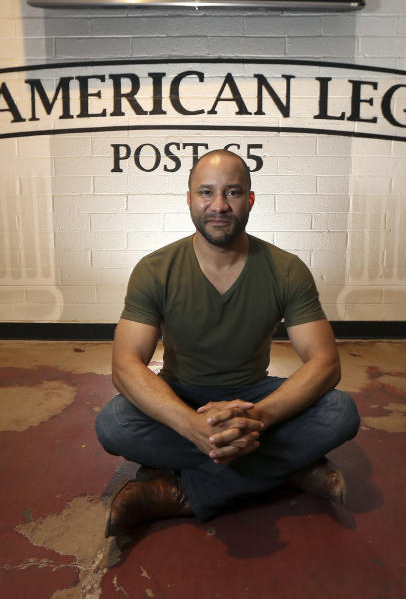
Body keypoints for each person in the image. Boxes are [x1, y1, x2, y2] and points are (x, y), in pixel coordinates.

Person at [95, 149, 360, 537]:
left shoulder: (286, 269)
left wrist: (257, 418)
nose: (219, 205)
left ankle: (177, 493)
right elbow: (125, 366)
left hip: (254, 396)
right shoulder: (155, 270)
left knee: (340, 412)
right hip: (181, 393)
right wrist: (191, 425)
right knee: (114, 423)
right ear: (189, 199)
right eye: (206, 192)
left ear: (250, 200)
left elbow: (325, 363)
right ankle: (288, 471)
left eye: (233, 193)